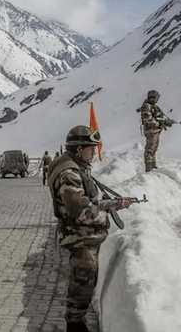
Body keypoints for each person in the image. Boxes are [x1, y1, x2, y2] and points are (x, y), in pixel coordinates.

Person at [47, 125, 131, 332]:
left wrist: (113, 204)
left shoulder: (77, 168)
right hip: (79, 238)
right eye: (90, 149)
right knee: (82, 284)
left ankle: (77, 321)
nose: (94, 153)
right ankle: (74, 325)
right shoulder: (69, 173)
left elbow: (89, 198)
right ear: (78, 150)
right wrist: (104, 215)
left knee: (85, 281)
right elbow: (80, 210)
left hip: (84, 236)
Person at [140, 89, 165, 172]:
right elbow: (148, 119)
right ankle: (148, 168)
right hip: (151, 131)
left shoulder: (153, 107)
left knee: (153, 148)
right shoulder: (147, 106)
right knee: (150, 149)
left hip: (154, 131)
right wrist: (159, 124)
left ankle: (153, 166)